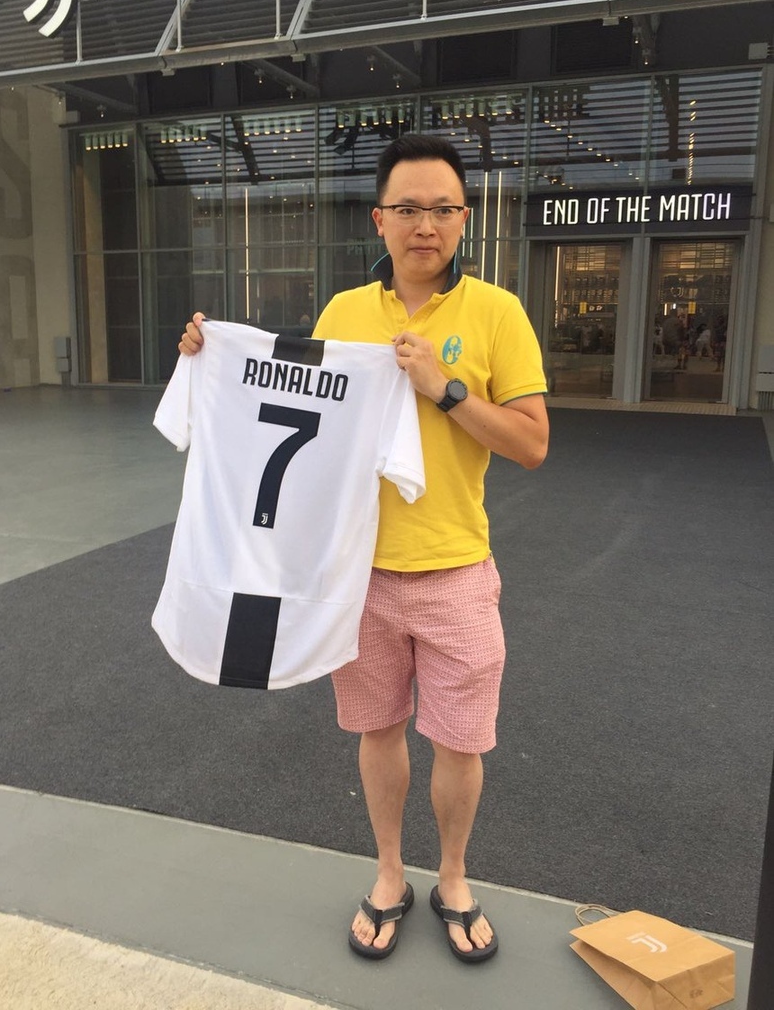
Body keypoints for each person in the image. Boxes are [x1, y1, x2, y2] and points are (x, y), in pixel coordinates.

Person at [178, 134, 549, 964]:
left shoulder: (497, 313)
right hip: (358, 573)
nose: (426, 225)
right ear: (379, 219)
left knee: (460, 741)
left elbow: (532, 443)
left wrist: (444, 390)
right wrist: (211, 361)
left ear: (465, 218)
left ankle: (453, 875)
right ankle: (389, 873)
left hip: (456, 569)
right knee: (377, 731)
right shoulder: (344, 314)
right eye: (408, 209)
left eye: (443, 209)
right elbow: (299, 413)